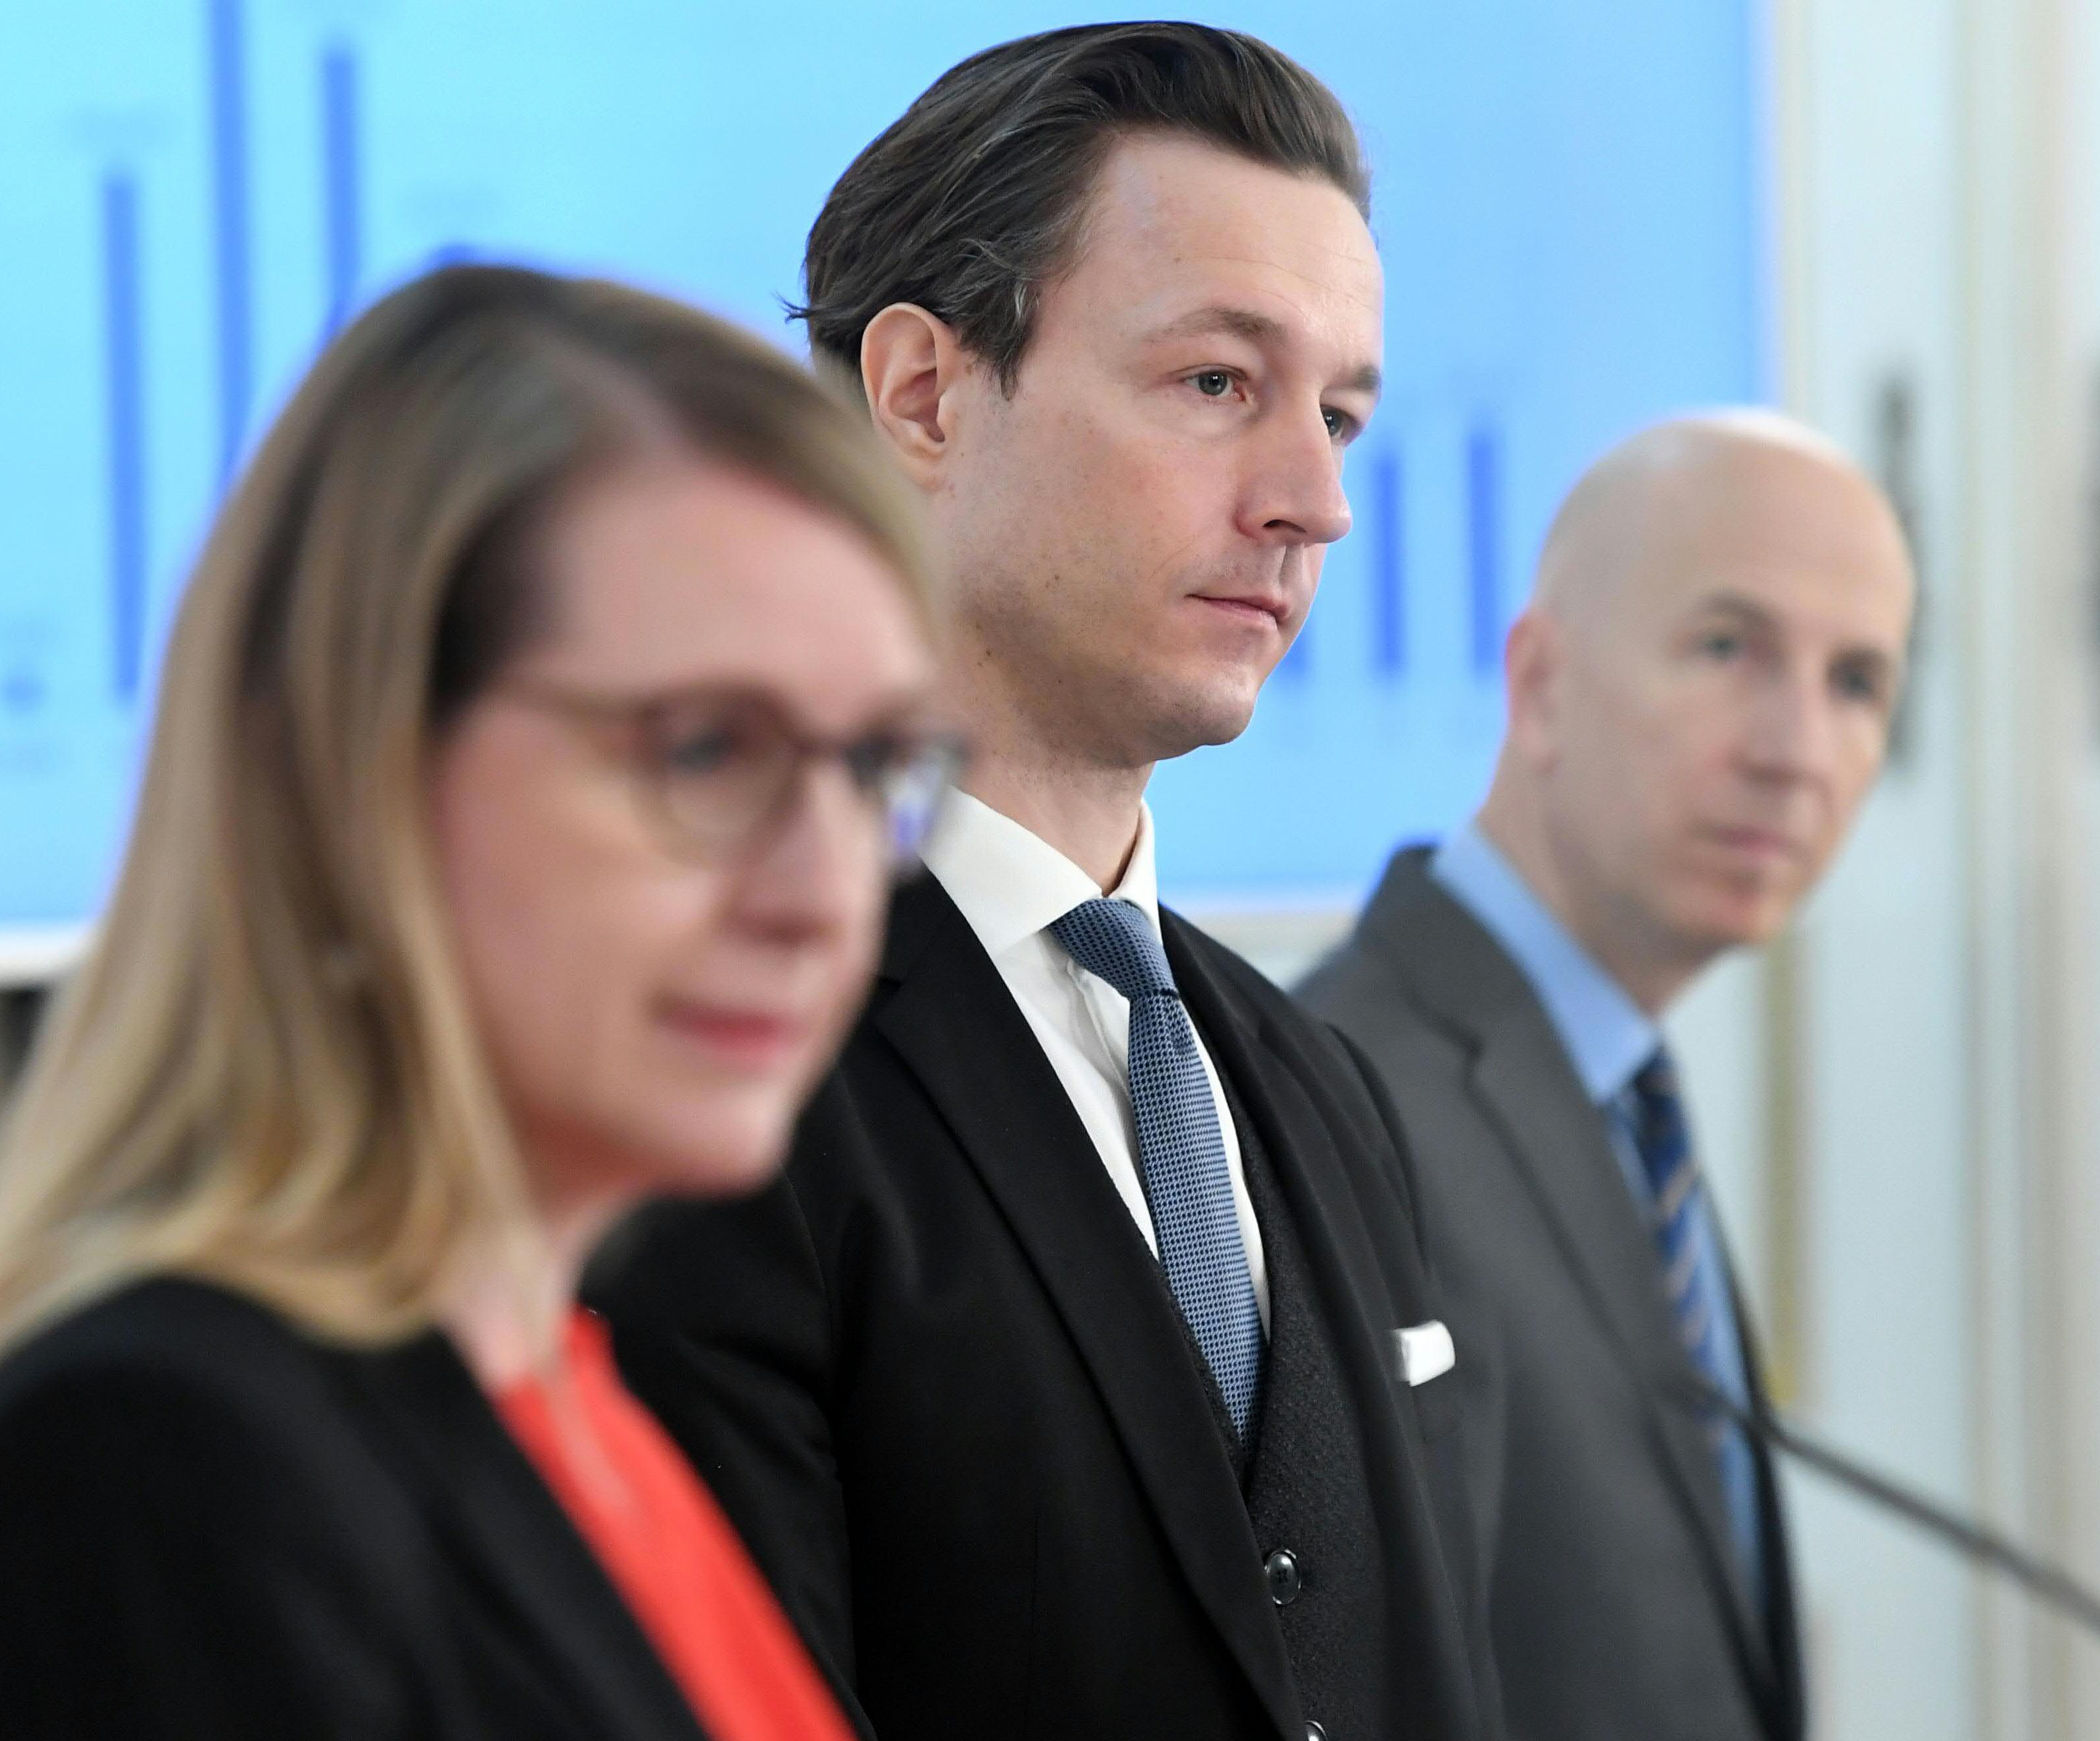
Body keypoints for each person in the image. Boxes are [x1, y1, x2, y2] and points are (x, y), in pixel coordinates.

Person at [586, 24, 1499, 1741]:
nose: (1316, 501)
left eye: (1344, 416)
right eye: (1220, 384)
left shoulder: (1313, 1093)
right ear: (925, 392)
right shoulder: (716, 1070)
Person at [0, 265, 962, 1740]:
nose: (821, 895)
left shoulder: (568, 1402)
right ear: (355, 771)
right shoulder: (149, 1467)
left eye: (868, 771)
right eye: (707, 752)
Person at [1299, 411, 1917, 1741]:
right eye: (1723, 649)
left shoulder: (1623, 1105)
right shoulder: (1350, 1102)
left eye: (1855, 682)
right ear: (1540, 687)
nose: (1795, 751)